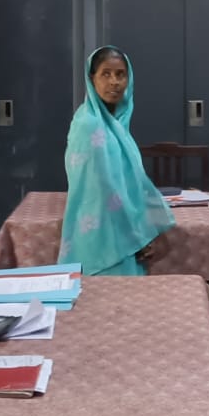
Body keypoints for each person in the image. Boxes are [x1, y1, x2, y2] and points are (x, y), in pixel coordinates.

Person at [61, 45, 174, 275]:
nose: (114, 82)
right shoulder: (89, 125)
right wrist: (136, 236)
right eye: (106, 74)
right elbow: (103, 191)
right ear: (92, 79)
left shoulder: (116, 124)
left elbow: (132, 183)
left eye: (120, 74)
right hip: (106, 235)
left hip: (121, 228)